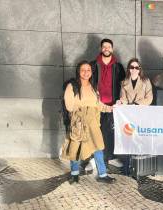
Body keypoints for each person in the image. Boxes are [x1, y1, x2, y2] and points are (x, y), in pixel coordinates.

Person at [63, 60, 115, 184]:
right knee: (75, 146)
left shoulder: (93, 87)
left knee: (98, 148)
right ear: (78, 71)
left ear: (91, 72)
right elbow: (69, 106)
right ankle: (74, 174)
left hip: (93, 123)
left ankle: (102, 174)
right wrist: (83, 110)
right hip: (79, 122)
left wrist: (110, 108)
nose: (86, 72)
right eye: (83, 70)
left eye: (88, 70)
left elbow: (98, 105)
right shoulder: (72, 86)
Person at [91, 38, 126, 168]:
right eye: (104, 47)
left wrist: (121, 100)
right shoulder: (93, 65)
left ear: (112, 49)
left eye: (109, 46)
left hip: (112, 106)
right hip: (96, 106)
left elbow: (124, 85)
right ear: (101, 49)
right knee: (95, 132)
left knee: (110, 132)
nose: (106, 49)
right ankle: (93, 159)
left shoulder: (118, 66)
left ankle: (111, 157)